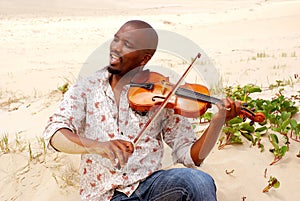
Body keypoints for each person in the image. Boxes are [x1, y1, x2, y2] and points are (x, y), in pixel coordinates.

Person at [43, 20, 241, 201]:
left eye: (127, 45)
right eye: (116, 40)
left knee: (197, 182)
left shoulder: (162, 92)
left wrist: (217, 122)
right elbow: (55, 134)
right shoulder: (86, 88)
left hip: (151, 186)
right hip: (106, 195)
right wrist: (98, 146)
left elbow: (191, 157)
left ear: (144, 59)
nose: (116, 48)